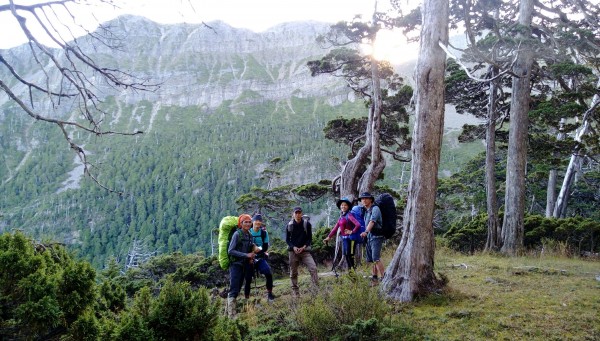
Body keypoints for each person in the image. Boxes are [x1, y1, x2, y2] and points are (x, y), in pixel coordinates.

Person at [226, 214, 256, 318]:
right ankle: (231, 316)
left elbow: (248, 249)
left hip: (244, 265)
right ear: (241, 223)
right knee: (234, 289)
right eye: (245, 222)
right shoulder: (237, 234)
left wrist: (250, 257)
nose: (248, 224)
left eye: (249, 222)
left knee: (237, 289)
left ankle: (229, 313)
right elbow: (231, 251)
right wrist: (246, 255)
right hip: (235, 265)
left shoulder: (249, 235)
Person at [286, 206, 319, 297]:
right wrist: (294, 247)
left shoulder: (306, 224)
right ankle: (296, 293)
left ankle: (315, 290)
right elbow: (287, 240)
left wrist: (304, 247)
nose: (297, 214)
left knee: (313, 268)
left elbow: (309, 239)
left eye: (299, 212)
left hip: (304, 251)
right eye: (296, 213)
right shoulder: (289, 225)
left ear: (301, 213)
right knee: (293, 272)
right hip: (293, 252)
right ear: (293, 214)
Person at [323, 197, 361, 270]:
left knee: (350, 256)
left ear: (348, 206)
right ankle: (351, 273)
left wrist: (351, 231)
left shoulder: (349, 215)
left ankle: (353, 274)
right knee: (347, 255)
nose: (343, 206)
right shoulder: (342, 216)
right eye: (342, 205)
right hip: (344, 239)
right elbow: (335, 228)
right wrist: (328, 237)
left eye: (345, 205)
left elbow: (358, 225)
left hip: (350, 239)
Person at [247, 213, 276, 301]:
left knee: (268, 273)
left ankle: (270, 294)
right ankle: (246, 298)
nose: (258, 222)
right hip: (248, 258)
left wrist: (259, 250)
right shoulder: (248, 231)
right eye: (256, 220)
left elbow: (266, 247)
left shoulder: (263, 233)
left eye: (259, 221)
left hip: (260, 257)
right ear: (253, 221)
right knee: (247, 278)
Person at [358, 192, 386, 283]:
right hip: (369, 237)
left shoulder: (375, 209)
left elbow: (372, 222)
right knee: (371, 259)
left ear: (371, 199)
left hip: (376, 236)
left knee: (375, 258)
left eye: (366, 198)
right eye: (362, 199)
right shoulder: (366, 211)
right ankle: (375, 279)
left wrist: (366, 232)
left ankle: (384, 278)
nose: (364, 200)